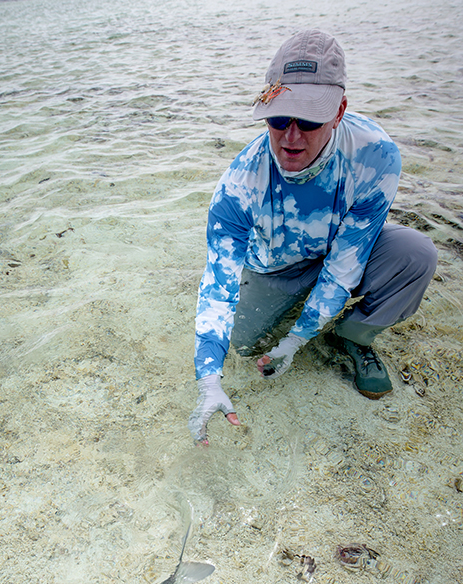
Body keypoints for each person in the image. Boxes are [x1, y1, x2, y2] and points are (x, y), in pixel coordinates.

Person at [188, 29, 438, 443]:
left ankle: (355, 334)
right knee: (244, 345)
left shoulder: (377, 155)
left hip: (341, 249)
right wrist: (208, 382)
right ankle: (301, 310)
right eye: (279, 118)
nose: (291, 137)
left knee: (416, 253)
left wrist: (296, 341)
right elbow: (217, 287)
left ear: (339, 111)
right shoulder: (238, 184)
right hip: (275, 266)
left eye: (308, 119)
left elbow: (347, 263)